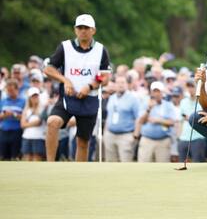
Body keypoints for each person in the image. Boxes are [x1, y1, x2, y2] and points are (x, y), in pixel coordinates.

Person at [43, 14, 111, 162]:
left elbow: (104, 76)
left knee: (83, 142)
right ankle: (49, 165)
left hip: (89, 100)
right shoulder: (65, 47)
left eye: (86, 28)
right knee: (52, 122)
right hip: (67, 98)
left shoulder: (100, 50)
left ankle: (78, 172)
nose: (83, 31)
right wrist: (65, 79)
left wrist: (90, 85)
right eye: (80, 28)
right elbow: (48, 69)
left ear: (93, 30)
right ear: (75, 30)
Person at [136, 81, 177, 162]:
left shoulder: (168, 105)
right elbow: (141, 121)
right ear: (151, 92)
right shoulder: (145, 104)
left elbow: (172, 122)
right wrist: (148, 109)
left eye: (158, 91)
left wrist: (159, 120)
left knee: (163, 168)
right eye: (154, 91)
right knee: (143, 167)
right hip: (147, 140)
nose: (156, 94)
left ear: (162, 93)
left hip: (163, 141)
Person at [104, 75, 140, 162]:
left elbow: (138, 118)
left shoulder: (133, 99)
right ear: (114, 85)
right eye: (118, 83)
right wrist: (105, 133)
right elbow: (109, 115)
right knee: (110, 162)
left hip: (126, 135)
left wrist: (135, 135)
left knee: (125, 164)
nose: (120, 85)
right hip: (110, 135)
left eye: (123, 82)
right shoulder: (112, 98)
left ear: (127, 84)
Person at [177, 79, 207, 162]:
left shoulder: (203, 101)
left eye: (192, 86)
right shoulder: (183, 101)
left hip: (198, 137)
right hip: (184, 138)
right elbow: (180, 119)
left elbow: (203, 117)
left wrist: (190, 117)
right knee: (181, 163)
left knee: (197, 163)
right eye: (188, 87)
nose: (190, 89)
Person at [0, 79, 26, 160]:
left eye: (11, 90)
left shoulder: (23, 101)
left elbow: (26, 117)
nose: (9, 92)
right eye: (8, 90)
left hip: (17, 132)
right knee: (3, 157)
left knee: (14, 157)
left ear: (17, 89)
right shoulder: (3, 101)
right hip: (3, 131)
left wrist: (13, 114)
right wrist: (4, 115)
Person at [20, 87, 46, 161]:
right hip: (26, 137)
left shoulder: (43, 108)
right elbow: (22, 125)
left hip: (39, 137)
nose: (35, 98)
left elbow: (39, 122)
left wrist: (27, 124)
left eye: (36, 96)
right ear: (29, 98)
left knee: (37, 158)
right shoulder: (26, 110)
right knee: (26, 158)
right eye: (33, 96)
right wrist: (33, 123)